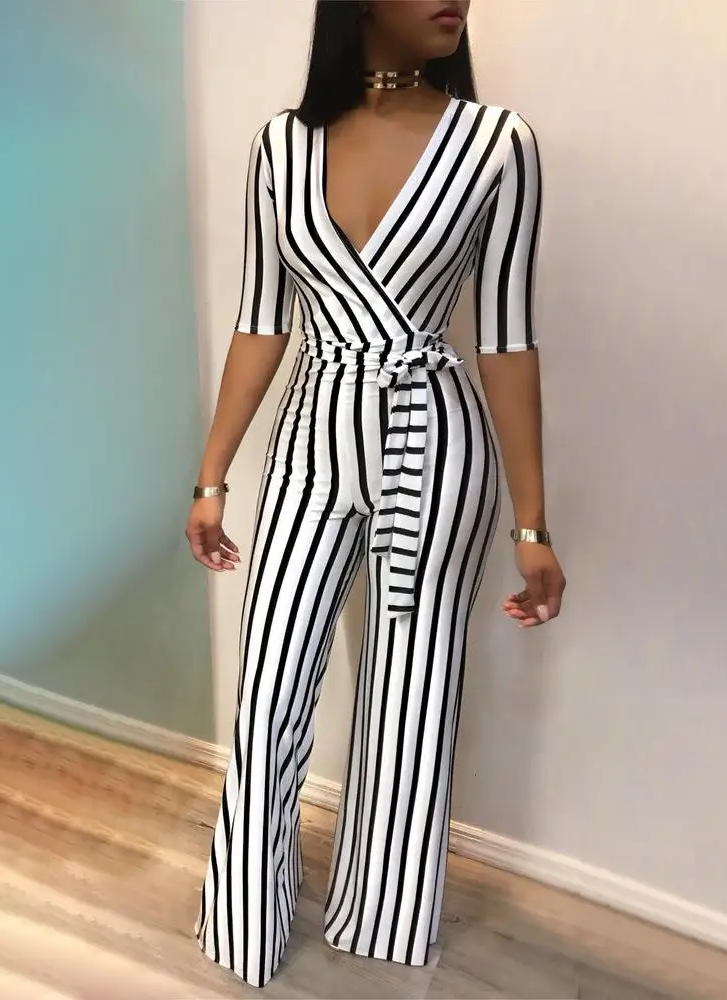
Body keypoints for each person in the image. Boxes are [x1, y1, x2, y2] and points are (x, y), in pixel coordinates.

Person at [186, 0, 566, 987]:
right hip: (312, 436)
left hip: (436, 439)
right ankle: (244, 924)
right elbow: (262, 320)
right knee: (270, 685)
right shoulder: (281, 147)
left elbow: (508, 339)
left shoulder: (497, 145)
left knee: (413, 696)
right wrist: (212, 474)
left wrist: (532, 524)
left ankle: (384, 927)